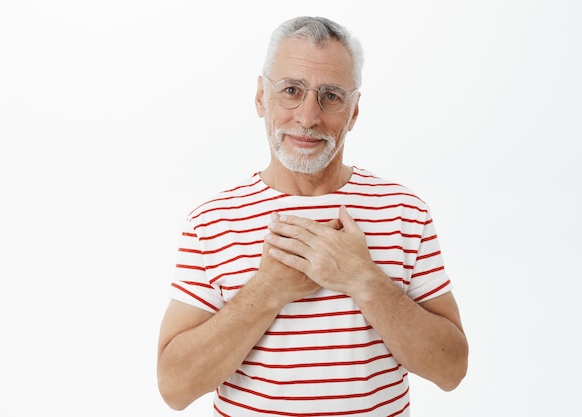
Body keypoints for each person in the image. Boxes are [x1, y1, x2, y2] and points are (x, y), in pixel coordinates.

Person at [157, 16, 468, 416]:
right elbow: (174, 387)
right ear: (260, 97)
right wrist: (268, 288)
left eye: (331, 96)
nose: (307, 117)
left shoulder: (404, 211)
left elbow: (451, 369)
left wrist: (361, 276)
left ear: (354, 111)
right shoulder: (212, 221)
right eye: (291, 90)